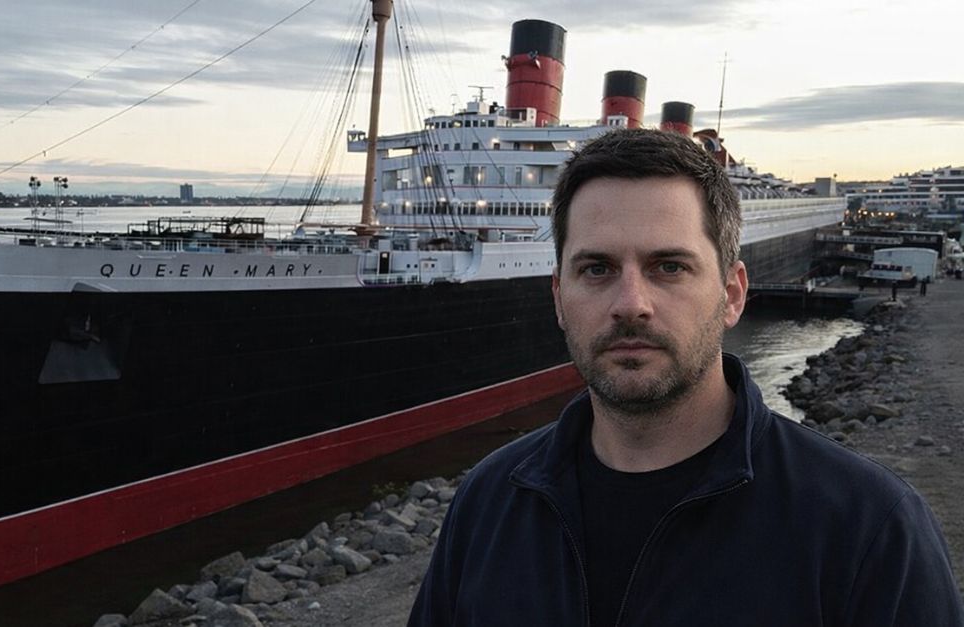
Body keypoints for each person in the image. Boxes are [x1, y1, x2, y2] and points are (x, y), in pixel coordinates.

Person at [408, 129, 963, 626]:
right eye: (596, 269)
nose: (631, 304)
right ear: (558, 298)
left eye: (669, 267)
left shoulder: (869, 530)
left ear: (732, 294)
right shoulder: (487, 501)